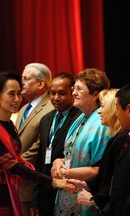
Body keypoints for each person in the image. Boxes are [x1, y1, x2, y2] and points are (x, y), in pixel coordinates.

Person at [0, 71, 74, 216]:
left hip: (8, 193)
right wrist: (52, 181)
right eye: (11, 94)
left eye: (19, 94)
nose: (17, 99)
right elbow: (13, 165)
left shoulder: (9, 125)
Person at [51, 68, 112, 216]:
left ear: (95, 93)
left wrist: (65, 172)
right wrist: (58, 162)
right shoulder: (81, 118)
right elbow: (70, 154)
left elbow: (100, 170)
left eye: (79, 89)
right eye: (73, 89)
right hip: (67, 196)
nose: (73, 93)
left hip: (85, 199)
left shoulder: (102, 124)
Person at [31, 72, 81, 216]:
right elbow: (40, 161)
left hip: (69, 189)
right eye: (52, 93)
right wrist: (36, 198)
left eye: (62, 93)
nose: (56, 98)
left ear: (72, 92)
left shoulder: (79, 118)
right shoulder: (46, 119)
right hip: (46, 190)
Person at [66, 88, 122, 214]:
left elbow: (118, 182)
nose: (99, 111)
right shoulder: (116, 137)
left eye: (103, 106)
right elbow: (107, 177)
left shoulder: (122, 139)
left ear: (114, 109)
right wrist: (85, 185)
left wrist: (95, 200)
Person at [14, 63, 54, 216]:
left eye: (26, 78)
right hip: (18, 181)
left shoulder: (50, 107)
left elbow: (40, 145)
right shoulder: (23, 108)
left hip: (32, 183)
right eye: (21, 78)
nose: (21, 82)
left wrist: (14, 165)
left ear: (40, 83)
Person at [102, 84, 130, 215]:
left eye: (117, 109)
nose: (117, 113)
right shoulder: (125, 137)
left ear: (128, 109)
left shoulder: (122, 138)